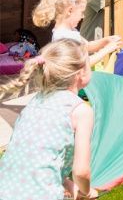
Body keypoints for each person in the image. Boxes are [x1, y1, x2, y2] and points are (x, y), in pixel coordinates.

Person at [0, 39, 98, 200]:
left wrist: (67, 184)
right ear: (80, 73)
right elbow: (81, 171)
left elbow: (35, 158)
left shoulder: (37, 100)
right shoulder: (80, 111)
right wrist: (86, 192)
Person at [32, 0, 121, 66]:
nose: (83, 16)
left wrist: (106, 40)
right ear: (70, 11)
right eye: (81, 12)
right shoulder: (64, 37)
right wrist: (107, 50)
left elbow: (88, 46)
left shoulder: (70, 31)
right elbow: (83, 64)